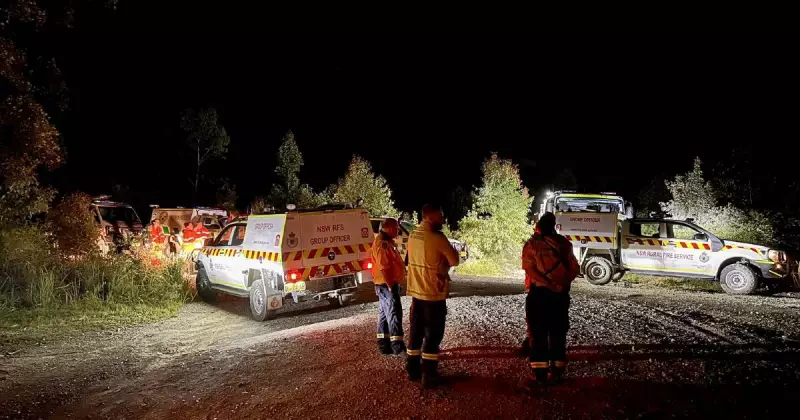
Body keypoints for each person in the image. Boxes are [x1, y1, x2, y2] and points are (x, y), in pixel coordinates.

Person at [521, 212, 580, 386]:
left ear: (539, 226)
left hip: (539, 294)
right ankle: (558, 370)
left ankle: (540, 375)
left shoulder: (532, 244)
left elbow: (529, 269)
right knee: (558, 332)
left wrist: (547, 283)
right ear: (554, 226)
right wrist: (561, 284)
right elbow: (575, 268)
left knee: (538, 333)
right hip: (560, 296)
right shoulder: (564, 243)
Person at [405, 205, 460, 388]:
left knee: (415, 333)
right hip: (433, 294)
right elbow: (454, 260)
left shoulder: (413, 235)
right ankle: (429, 374)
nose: (444, 220)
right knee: (433, 334)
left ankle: (412, 370)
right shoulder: (438, 238)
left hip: (416, 294)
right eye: (441, 216)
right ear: (431, 217)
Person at [372, 218, 406, 355]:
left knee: (384, 315)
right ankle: (397, 347)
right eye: (396, 227)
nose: (398, 230)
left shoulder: (384, 241)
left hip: (384, 284)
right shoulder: (383, 244)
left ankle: (383, 345)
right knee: (394, 314)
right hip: (387, 285)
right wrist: (391, 285)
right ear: (389, 228)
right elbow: (384, 267)